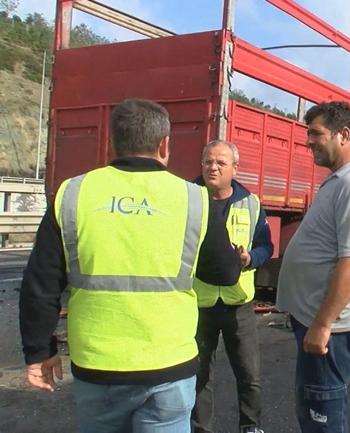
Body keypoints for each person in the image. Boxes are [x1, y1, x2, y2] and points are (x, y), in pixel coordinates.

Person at [19, 99, 242, 433]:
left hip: (98, 364)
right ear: (164, 144)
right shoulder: (194, 199)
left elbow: (40, 283)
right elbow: (224, 273)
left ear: (112, 143)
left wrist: (39, 350)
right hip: (169, 365)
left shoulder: (73, 193)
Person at [276, 101, 350, 433]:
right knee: (318, 407)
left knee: (322, 412)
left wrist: (322, 325)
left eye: (316, 134)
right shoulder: (341, 180)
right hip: (320, 323)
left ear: (343, 135)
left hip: (332, 330)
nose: (308, 141)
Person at [192, 140, 273, 433]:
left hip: (239, 305)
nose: (212, 167)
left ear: (234, 168)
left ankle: (250, 427)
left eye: (220, 163)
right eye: (207, 161)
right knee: (199, 376)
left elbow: (266, 246)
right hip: (198, 305)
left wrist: (251, 258)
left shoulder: (251, 203)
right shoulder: (189, 199)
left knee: (249, 374)